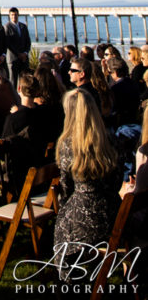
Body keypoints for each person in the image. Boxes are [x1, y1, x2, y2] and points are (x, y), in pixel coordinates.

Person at [54, 89, 122, 275]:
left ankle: (67, 277)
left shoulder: (68, 145)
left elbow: (66, 188)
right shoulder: (111, 139)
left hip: (83, 218)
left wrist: (64, 208)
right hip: (113, 213)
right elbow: (118, 179)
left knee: (61, 224)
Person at [5, 8, 31, 85]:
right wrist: (18, 54)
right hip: (13, 59)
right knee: (13, 81)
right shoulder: (7, 27)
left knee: (25, 80)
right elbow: (8, 43)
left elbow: (28, 41)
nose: (14, 17)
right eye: (12, 15)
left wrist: (25, 53)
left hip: (24, 59)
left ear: (18, 15)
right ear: (9, 16)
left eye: (15, 15)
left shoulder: (23, 26)